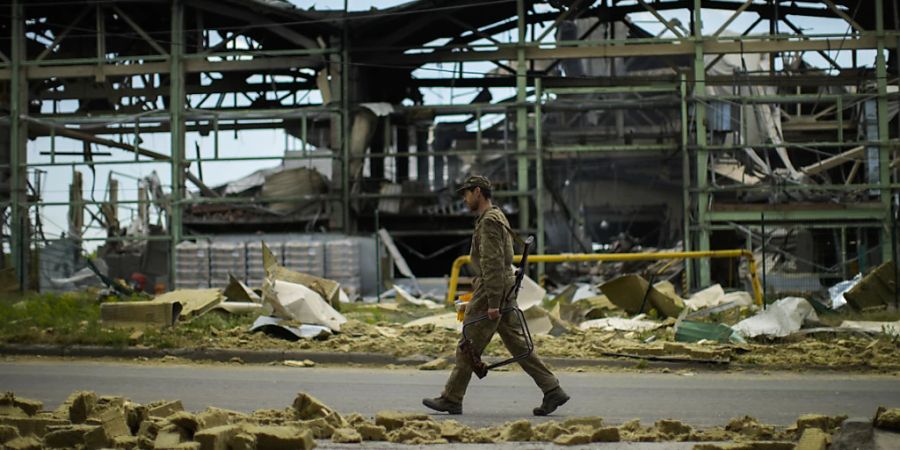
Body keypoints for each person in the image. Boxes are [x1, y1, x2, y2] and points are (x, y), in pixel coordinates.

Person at [422, 175, 569, 416]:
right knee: (519, 344)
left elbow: (492, 263)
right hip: (503, 287)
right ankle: (552, 390)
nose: (464, 198)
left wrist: (491, 303)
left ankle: (451, 398)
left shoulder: (489, 221)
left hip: (493, 289)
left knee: (467, 344)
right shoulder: (496, 216)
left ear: (477, 192)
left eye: (466, 193)